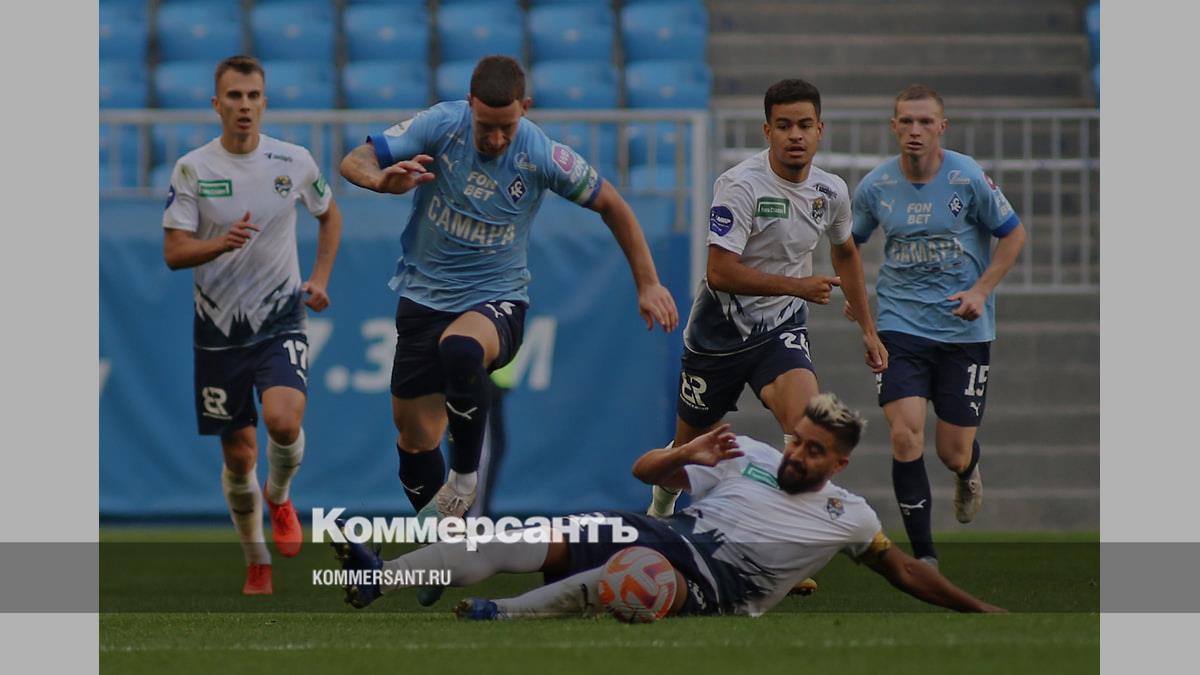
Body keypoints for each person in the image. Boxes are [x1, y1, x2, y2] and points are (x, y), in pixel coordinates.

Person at [338, 55, 678, 530]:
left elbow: (612, 204)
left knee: (461, 349)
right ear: (470, 104)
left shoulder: (542, 153)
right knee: (414, 443)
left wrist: (648, 282)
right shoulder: (440, 125)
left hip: (497, 298)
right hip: (423, 298)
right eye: (486, 127)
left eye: (507, 127)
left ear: (526, 107)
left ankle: (464, 480)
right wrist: (379, 180)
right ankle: (449, 545)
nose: (496, 139)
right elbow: (354, 159)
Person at [328, 393, 1004, 618]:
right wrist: (688, 454)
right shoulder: (745, 453)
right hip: (667, 529)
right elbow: (643, 470)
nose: (797, 453)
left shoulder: (849, 515)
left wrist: (980, 610)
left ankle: (500, 614)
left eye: (814, 450)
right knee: (519, 537)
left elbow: (903, 569)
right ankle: (380, 577)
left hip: (717, 581)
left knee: (630, 575)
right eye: (798, 439)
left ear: (839, 464)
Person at [646, 78, 887, 530]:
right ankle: (662, 504)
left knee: (806, 427)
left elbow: (845, 252)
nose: (795, 135)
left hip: (781, 329)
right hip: (718, 334)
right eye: (784, 125)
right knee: (688, 449)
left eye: (804, 125)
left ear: (820, 130)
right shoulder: (740, 186)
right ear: (767, 131)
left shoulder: (831, 191)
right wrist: (798, 286)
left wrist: (868, 329)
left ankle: (785, 533)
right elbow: (720, 272)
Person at [162, 55, 343, 595]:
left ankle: (280, 495)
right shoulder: (193, 168)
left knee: (284, 421)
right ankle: (256, 559)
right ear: (216, 104)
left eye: (253, 96)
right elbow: (174, 253)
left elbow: (329, 214)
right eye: (235, 96)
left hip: (280, 314)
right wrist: (221, 244)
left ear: (265, 102)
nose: (245, 105)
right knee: (239, 455)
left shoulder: (294, 161)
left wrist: (320, 278)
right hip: (218, 329)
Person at [847, 85, 1027, 566]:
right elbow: (848, 246)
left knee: (952, 452)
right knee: (905, 435)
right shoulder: (875, 186)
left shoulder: (967, 177)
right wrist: (857, 299)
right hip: (899, 326)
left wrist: (981, 291)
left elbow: (1014, 235)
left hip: (963, 332)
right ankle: (925, 558)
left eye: (925, 121)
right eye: (906, 121)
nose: (915, 130)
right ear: (893, 126)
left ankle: (967, 470)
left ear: (942, 127)